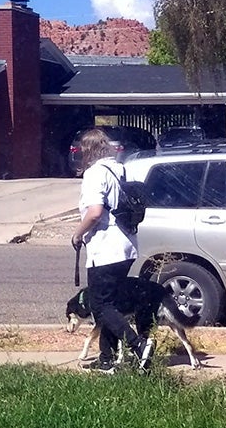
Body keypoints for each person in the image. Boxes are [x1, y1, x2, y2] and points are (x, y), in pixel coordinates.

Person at [71, 128, 155, 374]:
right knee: (112, 304)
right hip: (127, 246)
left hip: (106, 248)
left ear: (87, 152)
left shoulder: (95, 173)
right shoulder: (119, 168)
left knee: (100, 305)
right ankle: (106, 358)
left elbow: (95, 212)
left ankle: (138, 345)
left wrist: (77, 234)